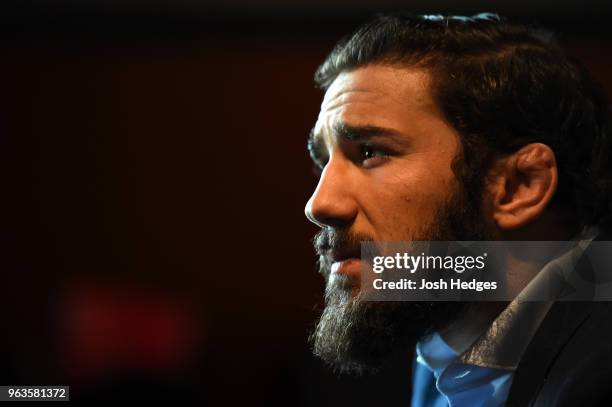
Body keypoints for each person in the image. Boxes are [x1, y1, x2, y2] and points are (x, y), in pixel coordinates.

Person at [304, 13, 612, 406]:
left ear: (521, 186)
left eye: (370, 152)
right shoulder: (440, 317)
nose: (319, 204)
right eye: (322, 161)